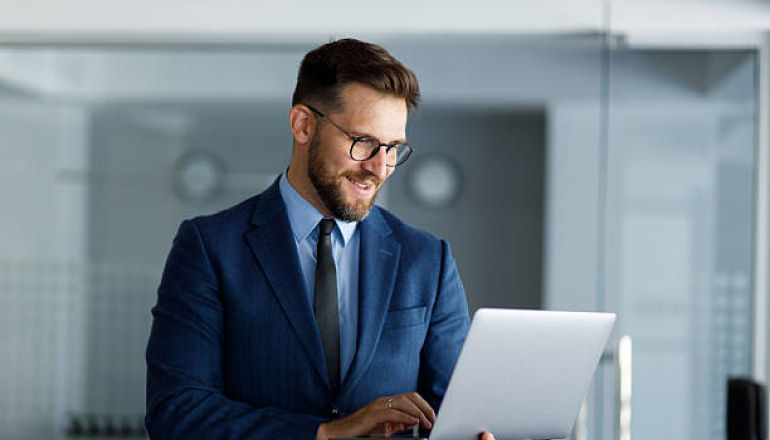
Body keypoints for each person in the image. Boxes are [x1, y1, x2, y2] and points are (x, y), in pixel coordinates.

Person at [145, 38, 493, 440]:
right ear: (303, 125)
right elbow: (177, 412)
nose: (380, 168)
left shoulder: (427, 260)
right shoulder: (210, 248)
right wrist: (325, 433)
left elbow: (452, 417)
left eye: (394, 148)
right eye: (363, 142)